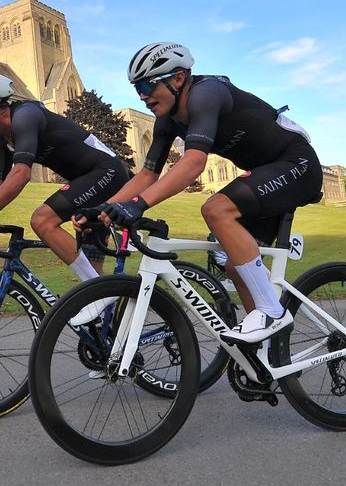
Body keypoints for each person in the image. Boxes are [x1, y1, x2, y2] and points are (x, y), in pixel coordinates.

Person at [75, 42, 322, 343]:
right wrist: (103, 208)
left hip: (296, 164)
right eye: (136, 87)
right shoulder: (167, 121)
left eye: (146, 84)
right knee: (235, 265)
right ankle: (267, 352)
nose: (141, 94)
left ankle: (271, 311)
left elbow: (193, 163)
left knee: (216, 209)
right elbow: (147, 174)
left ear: (178, 78)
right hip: (264, 175)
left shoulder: (207, 94)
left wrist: (138, 205)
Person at [0, 71, 130, 285]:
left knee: (42, 220)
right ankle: (103, 299)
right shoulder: (3, 137)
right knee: (92, 267)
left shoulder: (25, 116)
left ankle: (98, 292)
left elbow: (21, 173)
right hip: (88, 182)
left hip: (107, 173)